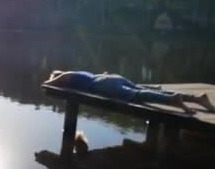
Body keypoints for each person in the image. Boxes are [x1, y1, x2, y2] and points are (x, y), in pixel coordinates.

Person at [43, 70, 215, 114]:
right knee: (141, 89)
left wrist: (53, 79)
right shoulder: (81, 73)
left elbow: (48, 84)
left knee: (136, 96)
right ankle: (197, 98)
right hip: (111, 77)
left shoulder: (65, 75)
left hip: (101, 85)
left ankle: (172, 100)